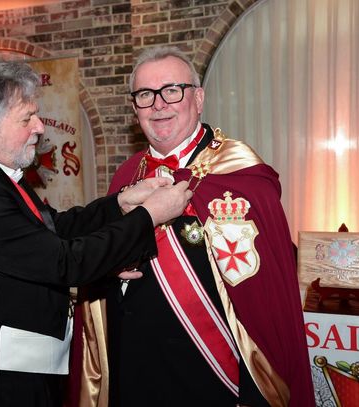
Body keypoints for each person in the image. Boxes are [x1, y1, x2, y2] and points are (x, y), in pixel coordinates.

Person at [0, 59, 192, 407]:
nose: (39, 127)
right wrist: (149, 215)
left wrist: (120, 203)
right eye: (26, 119)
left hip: (21, 370)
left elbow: (54, 228)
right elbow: (65, 262)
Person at [78, 46, 315, 406]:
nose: (158, 105)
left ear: (199, 99)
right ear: (135, 109)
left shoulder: (241, 173)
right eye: (145, 95)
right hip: (136, 368)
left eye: (172, 90)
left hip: (214, 377)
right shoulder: (126, 176)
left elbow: (266, 298)